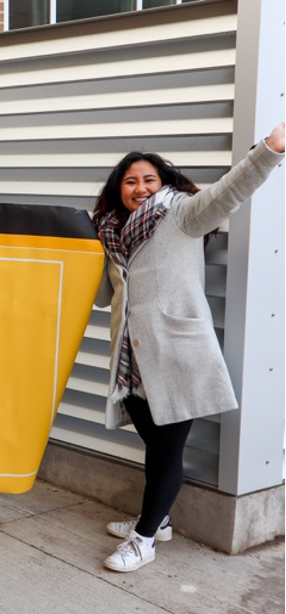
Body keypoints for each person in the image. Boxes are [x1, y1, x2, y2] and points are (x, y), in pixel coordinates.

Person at [92, 122, 285, 572]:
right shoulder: (109, 232)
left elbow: (226, 193)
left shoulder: (181, 214)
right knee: (154, 446)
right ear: (118, 189)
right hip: (132, 360)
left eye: (148, 180)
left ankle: (145, 539)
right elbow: (103, 296)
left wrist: (271, 150)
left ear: (163, 184)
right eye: (130, 181)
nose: (140, 188)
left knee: (166, 452)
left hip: (177, 355)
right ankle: (156, 521)